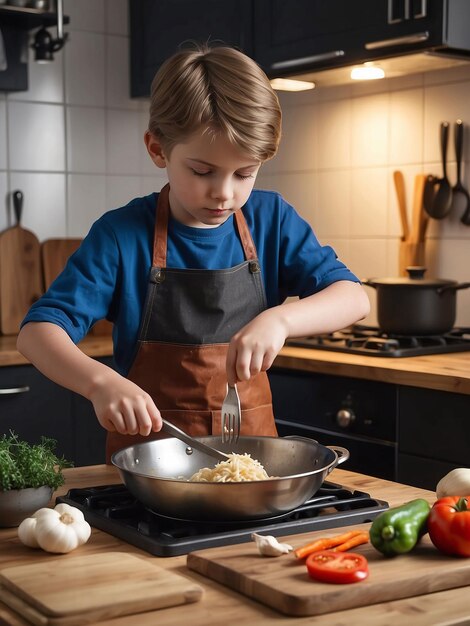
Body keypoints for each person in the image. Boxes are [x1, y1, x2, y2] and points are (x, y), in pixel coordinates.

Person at [17, 43, 370, 462]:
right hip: (148, 478)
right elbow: (37, 334)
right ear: (157, 149)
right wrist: (99, 383)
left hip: (252, 474)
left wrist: (280, 319)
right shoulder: (121, 235)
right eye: (202, 171)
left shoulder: (271, 219)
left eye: (245, 173)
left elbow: (353, 297)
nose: (224, 193)